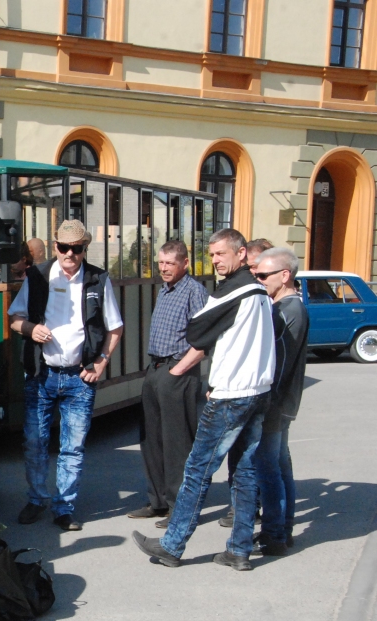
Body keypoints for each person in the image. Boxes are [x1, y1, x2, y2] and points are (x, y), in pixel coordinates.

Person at [133, 229, 275, 571]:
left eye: (221, 254)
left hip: (232, 394)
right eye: (211, 255)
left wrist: (181, 371)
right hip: (257, 391)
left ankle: (172, 545)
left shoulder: (232, 291)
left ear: (241, 254)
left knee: (197, 468)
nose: (214, 261)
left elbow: (195, 332)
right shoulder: (258, 290)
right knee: (242, 471)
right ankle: (239, 550)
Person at [8, 219, 124, 531]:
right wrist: (31, 329)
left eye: (77, 248)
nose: (70, 254)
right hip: (41, 373)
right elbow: (14, 320)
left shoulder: (98, 279)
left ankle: (64, 507)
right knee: (35, 442)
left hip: (79, 376)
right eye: (64, 247)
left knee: (72, 447)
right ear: (56, 246)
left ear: (85, 248)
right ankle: (36, 500)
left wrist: (100, 362)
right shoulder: (38, 275)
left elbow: (116, 327)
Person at [129, 240, 209, 527]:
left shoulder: (194, 292)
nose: (163, 268)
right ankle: (158, 501)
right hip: (156, 367)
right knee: (151, 438)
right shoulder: (165, 289)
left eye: (169, 264)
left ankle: (181, 507)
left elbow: (204, 338)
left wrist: (179, 370)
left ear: (185, 263)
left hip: (177, 370)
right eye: (160, 263)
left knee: (177, 442)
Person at [251, 247, 310, 556]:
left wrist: (261, 400)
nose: (259, 280)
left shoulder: (288, 310)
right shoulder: (286, 307)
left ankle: (275, 533)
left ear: (284, 276)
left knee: (268, 469)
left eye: (263, 275)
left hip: (275, 404)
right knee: (279, 466)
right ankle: (282, 530)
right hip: (281, 403)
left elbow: (278, 364)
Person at [216, 235, 276, 526]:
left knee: (259, 461)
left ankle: (269, 522)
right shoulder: (253, 297)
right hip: (243, 389)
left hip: (255, 393)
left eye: (260, 271)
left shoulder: (272, 304)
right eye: (253, 270)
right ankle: (243, 514)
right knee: (241, 459)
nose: (255, 276)